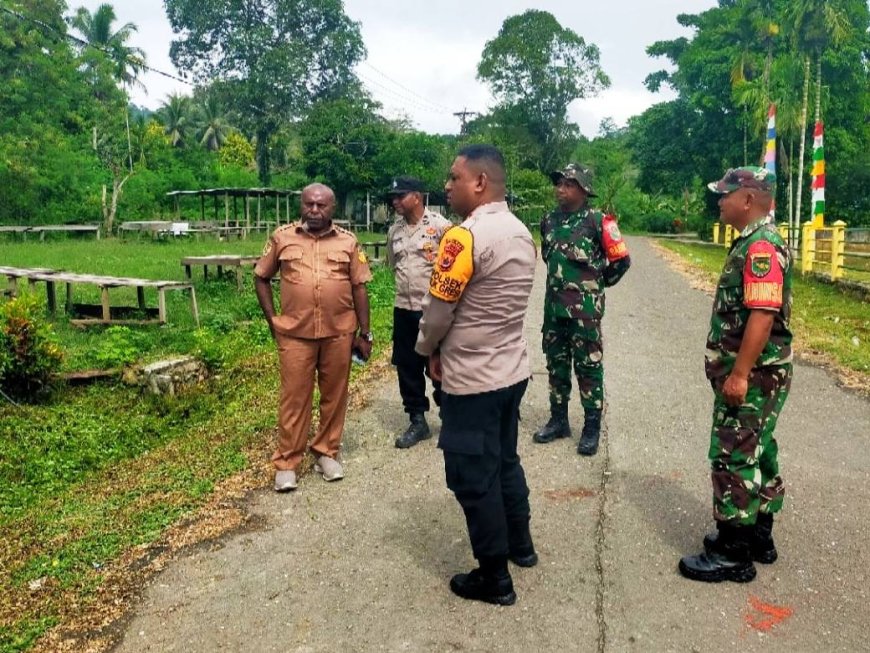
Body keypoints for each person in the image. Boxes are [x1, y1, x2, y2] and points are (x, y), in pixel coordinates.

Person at [415, 144, 537, 606]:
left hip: (473, 379)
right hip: (511, 370)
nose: (446, 186)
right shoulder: (521, 231)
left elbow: (438, 311)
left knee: (472, 475)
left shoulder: (462, 238)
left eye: (454, 178)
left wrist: (426, 350)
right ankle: (521, 547)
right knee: (505, 459)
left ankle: (494, 577)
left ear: (479, 183)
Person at [679, 166, 792, 583]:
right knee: (759, 448)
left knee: (734, 455)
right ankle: (759, 535)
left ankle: (734, 553)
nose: (719, 201)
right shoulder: (754, 241)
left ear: (747, 199)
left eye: (725, 195)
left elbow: (762, 315)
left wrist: (739, 373)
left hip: (756, 375)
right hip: (765, 374)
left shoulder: (761, 246)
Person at [253, 183, 373, 492]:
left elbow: (360, 287)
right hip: (295, 333)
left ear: (332, 208)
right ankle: (287, 462)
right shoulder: (282, 238)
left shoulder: (348, 242)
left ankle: (326, 452)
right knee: (294, 397)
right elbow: (261, 276)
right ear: (301, 205)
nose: (315, 210)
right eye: (309, 204)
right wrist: (273, 320)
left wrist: (365, 332)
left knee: (335, 396)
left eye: (321, 205)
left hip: (339, 332)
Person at [532, 163, 631, 456]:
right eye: (559, 183)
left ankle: (591, 428)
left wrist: (596, 287)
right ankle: (559, 420)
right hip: (554, 311)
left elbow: (621, 262)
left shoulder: (599, 221)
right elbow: (550, 259)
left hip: (585, 314)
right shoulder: (548, 221)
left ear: (585, 190)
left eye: (569, 184)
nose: (561, 189)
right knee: (556, 366)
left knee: (588, 367)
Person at [386, 176, 452, 449]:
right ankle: (417, 420)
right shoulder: (394, 231)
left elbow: (453, 268)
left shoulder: (441, 227)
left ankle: (451, 419)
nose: (395, 201)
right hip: (404, 308)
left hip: (434, 309)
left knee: (442, 365)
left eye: (400, 196)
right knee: (407, 365)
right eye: (393, 197)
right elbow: (393, 264)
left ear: (417, 196)